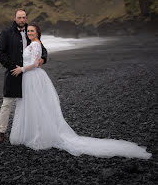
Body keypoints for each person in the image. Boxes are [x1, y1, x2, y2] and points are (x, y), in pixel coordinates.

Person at [9, 23, 152, 159]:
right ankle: (33, 132)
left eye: (32, 31)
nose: (29, 33)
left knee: (36, 104)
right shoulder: (31, 43)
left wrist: (21, 69)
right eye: (28, 31)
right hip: (29, 77)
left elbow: (35, 63)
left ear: (38, 33)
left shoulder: (35, 44)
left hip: (32, 76)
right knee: (32, 104)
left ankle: (37, 134)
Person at [0, 10, 48, 143]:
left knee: (29, 104)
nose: (22, 20)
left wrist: (43, 59)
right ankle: (0, 132)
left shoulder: (30, 31)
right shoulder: (7, 32)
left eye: (24, 17)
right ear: (15, 18)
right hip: (13, 73)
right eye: (19, 18)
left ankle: (29, 132)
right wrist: (10, 66)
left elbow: (42, 49)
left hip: (29, 75)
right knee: (7, 103)